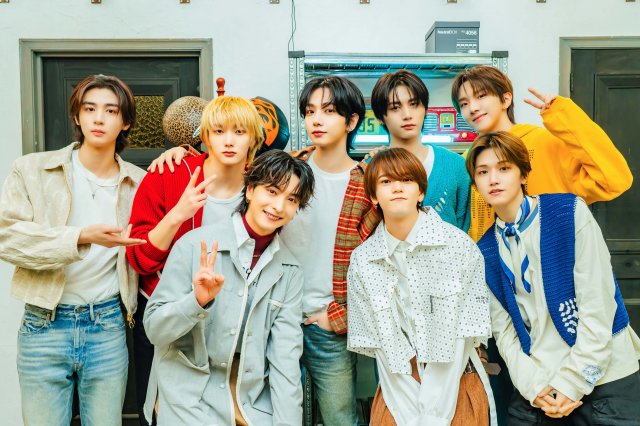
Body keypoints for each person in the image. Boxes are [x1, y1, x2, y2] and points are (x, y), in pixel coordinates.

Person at [0, 74, 146, 425]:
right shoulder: (33, 169)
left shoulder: (139, 182)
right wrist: (81, 236)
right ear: (77, 116)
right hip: (43, 324)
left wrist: (178, 150)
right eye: (89, 109)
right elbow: (7, 239)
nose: (99, 118)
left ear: (125, 122)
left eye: (111, 111)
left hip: (106, 324)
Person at [468, 131, 640, 425]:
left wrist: (572, 382)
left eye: (504, 168)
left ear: (524, 174)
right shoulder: (484, 250)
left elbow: (598, 304)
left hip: (605, 376)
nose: (493, 179)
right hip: (541, 385)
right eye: (483, 172)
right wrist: (533, 387)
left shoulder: (568, 212)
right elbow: (505, 333)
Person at [143, 150, 315, 425]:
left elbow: (285, 362)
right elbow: (155, 330)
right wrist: (196, 301)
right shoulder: (194, 245)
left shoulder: (290, 271)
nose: (278, 206)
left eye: (291, 199)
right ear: (250, 190)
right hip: (187, 396)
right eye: (272, 191)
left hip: (250, 400)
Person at [126, 95, 264, 425]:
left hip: (231, 326)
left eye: (239, 132)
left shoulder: (261, 187)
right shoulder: (169, 173)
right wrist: (178, 213)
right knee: (161, 414)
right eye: (218, 131)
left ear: (253, 139)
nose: (229, 141)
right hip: (169, 318)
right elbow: (140, 259)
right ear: (204, 136)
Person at [348, 147, 494, 426]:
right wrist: (410, 414)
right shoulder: (362, 260)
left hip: (457, 381)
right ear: (373, 196)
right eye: (386, 181)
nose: (397, 188)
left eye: (406, 180)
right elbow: (382, 349)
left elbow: (461, 338)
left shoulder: (458, 246)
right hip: (396, 390)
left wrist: (433, 416)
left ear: (421, 192)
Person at [276, 75, 380, 425]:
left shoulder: (367, 184)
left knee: (340, 418)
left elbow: (378, 267)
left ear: (352, 121)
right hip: (279, 320)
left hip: (328, 325)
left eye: (329, 111)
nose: (316, 120)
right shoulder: (286, 175)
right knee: (276, 415)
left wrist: (338, 318)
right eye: (309, 111)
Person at [451, 65, 633, 242]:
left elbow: (613, 180)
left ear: (505, 99)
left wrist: (564, 116)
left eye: (481, 96)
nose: (472, 108)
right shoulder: (465, 161)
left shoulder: (545, 143)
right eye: (464, 103)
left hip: (551, 255)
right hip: (489, 260)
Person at [370, 69, 470, 231]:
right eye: (395, 107)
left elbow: (466, 229)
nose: (407, 115)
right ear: (380, 117)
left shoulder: (456, 165)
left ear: (425, 109)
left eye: (414, 104)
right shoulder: (369, 168)